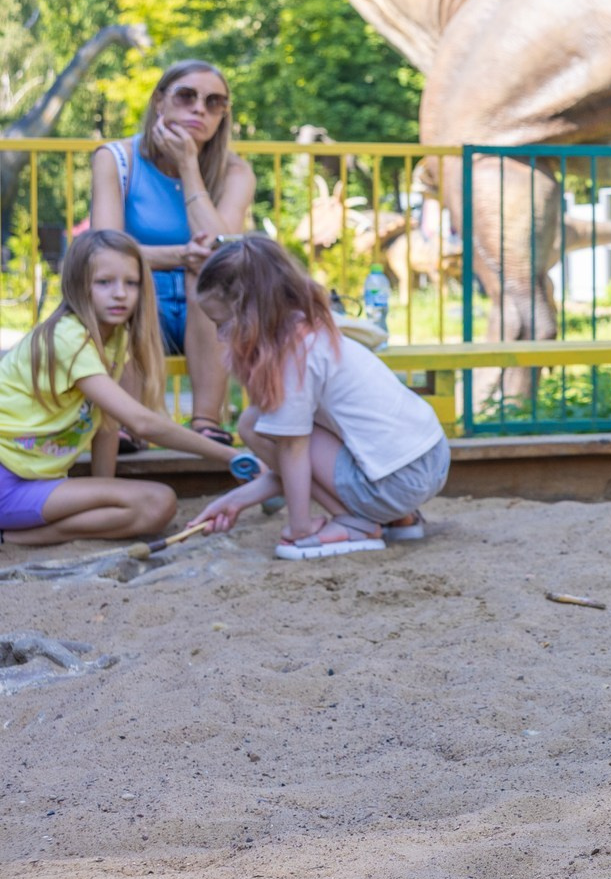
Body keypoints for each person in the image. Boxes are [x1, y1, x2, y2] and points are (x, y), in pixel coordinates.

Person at [188, 236, 449, 559]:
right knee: (265, 423)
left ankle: (357, 524)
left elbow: (294, 450)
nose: (219, 336)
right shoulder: (314, 325)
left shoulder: (293, 358)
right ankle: (401, 517)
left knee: (256, 426)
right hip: (432, 460)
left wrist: (300, 529)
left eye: (222, 323)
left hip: (396, 483)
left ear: (251, 314)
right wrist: (236, 500)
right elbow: (298, 464)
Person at [0, 230, 253, 545]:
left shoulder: (114, 339)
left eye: (130, 283)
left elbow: (105, 426)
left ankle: (14, 535)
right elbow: (141, 423)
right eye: (104, 282)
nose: (120, 293)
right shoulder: (68, 338)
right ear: (79, 285)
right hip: (7, 480)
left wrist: (104, 491)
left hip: (31, 482)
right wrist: (229, 456)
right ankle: (15, 538)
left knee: (154, 508)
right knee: (158, 501)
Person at [90, 61, 256, 441]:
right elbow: (104, 250)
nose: (199, 108)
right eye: (187, 96)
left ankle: (206, 423)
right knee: (126, 286)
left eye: (214, 103)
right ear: (159, 102)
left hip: (209, 311)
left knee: (208, 274)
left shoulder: (235, 172)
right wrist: (181, 256)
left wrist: (188, 167)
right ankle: (128, 425)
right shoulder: (116, 159)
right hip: (140, 301)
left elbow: (220, 251)